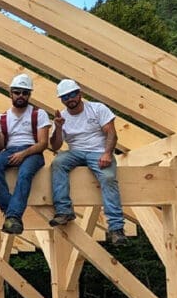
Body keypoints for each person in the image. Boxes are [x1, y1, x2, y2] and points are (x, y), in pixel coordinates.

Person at [48, 79, 128, 246]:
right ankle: (63, 210)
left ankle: (116, 228)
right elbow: (55, 146)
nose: (70, 99)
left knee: (107, 178)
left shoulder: (97, 109)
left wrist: (107, 153)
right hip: (75, 152)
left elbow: (111, 134)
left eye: (72, 95)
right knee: (58, 163)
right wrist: (57, 127)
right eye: (65, 97)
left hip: (98, 151)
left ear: (80, 94)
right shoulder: (62, 117)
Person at [0, 73, 50, 235]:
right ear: (11, 93)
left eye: (25, 92)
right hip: (9, 150)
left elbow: (43, 143)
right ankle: (11, 213)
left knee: (25, 173)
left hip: (32, 151)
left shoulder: (39, 114)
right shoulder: (3, 118)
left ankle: (12, 215)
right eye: (17, 92)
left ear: (29, 94)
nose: (20, 96)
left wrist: (23, 154)